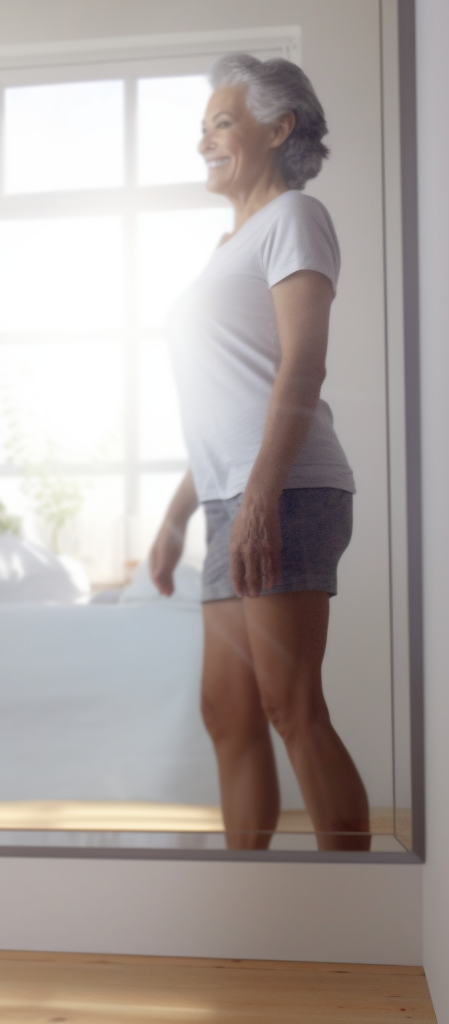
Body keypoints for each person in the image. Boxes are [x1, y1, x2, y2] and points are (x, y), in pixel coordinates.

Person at [149, 54, 369, 852]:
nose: (205, 138)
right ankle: (256, 893)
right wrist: (181, 515)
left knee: (289, 706)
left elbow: (302, 368)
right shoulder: (229, 244)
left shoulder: (295, 218)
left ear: (278, 129)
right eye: (202, 125)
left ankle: (352, 912)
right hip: (231, 497)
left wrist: (261, 501)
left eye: (222, 121)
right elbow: (229, 404)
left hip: (287, 490)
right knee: (230, 712)